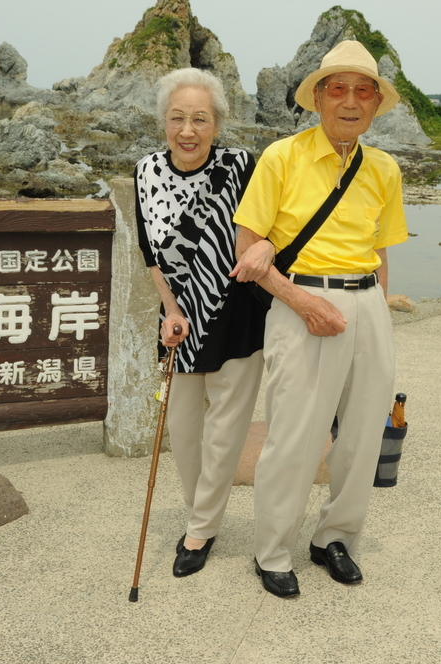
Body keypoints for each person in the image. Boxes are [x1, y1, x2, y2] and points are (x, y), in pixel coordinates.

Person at [231, 40, 409, 598]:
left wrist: (379, 312)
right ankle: (272, 550)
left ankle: (335, 537)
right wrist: (303, 303)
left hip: (367, 305)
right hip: (299, 301)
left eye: (363, 91)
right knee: (294, 437)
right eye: (338, 89)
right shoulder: (281, 157)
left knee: (361, 436)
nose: (350, 101)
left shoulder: (384, 168)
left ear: (376, 103)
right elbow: (247, 249)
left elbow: (379, 250)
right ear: (318, 98)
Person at [134, 68, 274, 578]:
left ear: (217, 123)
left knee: (225, 432)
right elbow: (150, 251)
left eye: (200, 119)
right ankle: (203, 513)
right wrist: (170, 308)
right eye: (177, 118)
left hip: (237, 314)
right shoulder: (145, 171)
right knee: (183, 427)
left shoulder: (240, 166)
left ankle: (199, 529)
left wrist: (266, 247)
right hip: (179, 319)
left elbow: (270, 228)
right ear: (163, 122)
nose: (187, 130)